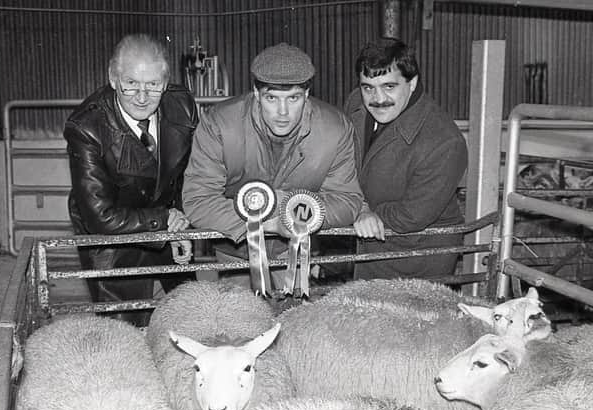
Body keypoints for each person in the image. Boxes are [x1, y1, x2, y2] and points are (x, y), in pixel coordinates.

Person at [182, 42, 363, 291]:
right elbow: (197, 199)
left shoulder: (335, 129)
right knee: (241, 325)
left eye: (293, 98)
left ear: (307, 93)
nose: (283, 112)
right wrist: (269, 223)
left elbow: (348, 200)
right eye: (271, 98)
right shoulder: (219, 125)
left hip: (299, 252)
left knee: (295, 322)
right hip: (235, 250)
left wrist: (291, 213)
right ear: (256, 93)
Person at [64, 33, 198, 326]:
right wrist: (164, 222)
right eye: (131, 84)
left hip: (167, 223)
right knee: (126, 331)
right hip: (113, 238)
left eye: (152, 85)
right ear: (113, 78)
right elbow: (100, 216)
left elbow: (185, 178)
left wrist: (181, 228)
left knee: (190, 319)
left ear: (165, 83)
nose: (141, 96)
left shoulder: (183, 107)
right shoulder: (86, 127)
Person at [345, 38, 468, 280]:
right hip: (366, 245)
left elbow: (411, 215)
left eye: (389, 86)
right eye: (368, 87)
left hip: (413, 259)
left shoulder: (444, 141)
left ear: (412, 83)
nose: (378, 98)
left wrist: (366, 212)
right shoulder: (356, 105)